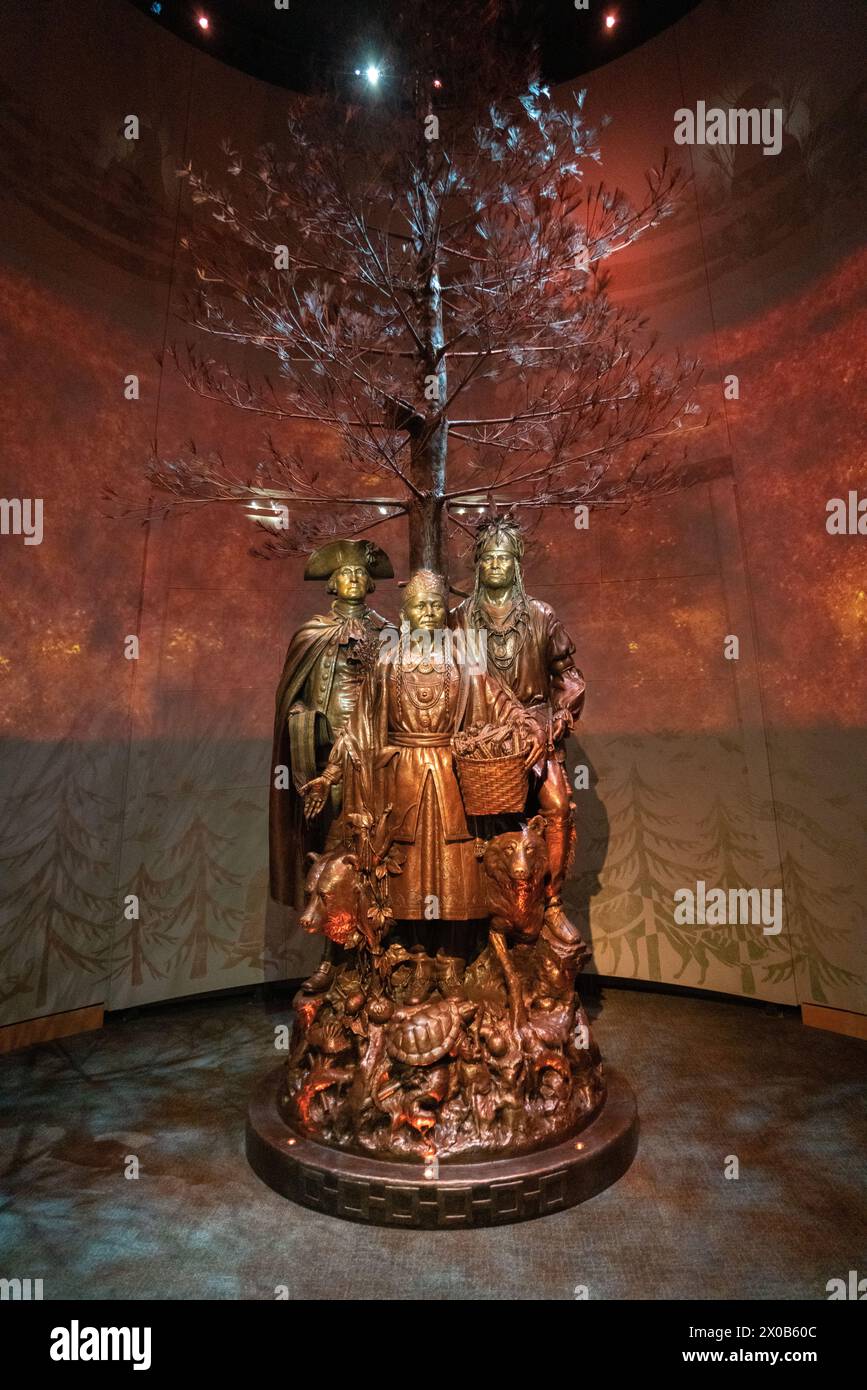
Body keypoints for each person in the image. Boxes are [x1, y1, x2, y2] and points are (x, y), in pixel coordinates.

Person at [302, 570, 542, 928]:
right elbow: (360, 726)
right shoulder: (387, 662)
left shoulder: (465, 660)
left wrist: (530, 726)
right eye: (419, 606)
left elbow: (497, 701)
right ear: (404, 615)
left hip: (451, 775)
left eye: (435, 605)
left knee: (456, 865)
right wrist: (329, 775)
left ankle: (451, 958)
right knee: (406, 866)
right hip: (403, 776)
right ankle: (415, 953)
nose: (428, 612)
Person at [451, 517, 585, 922]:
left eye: (503, 558)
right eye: (488, 558)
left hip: (537, 728)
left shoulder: (541, 615)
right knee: (471, 817)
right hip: (484, 736)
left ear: (517, 564)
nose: (495, 565)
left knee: (558, 807)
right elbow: (447, 676)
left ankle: (553, 900)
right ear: (478, 564)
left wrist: (560, 715)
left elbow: (568, 676)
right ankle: (481, 908)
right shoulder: (460, 616)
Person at [268, 538, 392, 911]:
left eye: (360, 572)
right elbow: (294, 697)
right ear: (332, 583)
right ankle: (334, 949)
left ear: (370, 583)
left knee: (380, 843)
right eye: (345, 573)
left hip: (377, 751)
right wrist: (306, 723)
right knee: (331, 850)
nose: (353, 578)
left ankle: (379, 936)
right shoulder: (312, 634)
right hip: (329, 758)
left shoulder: (389, 633)